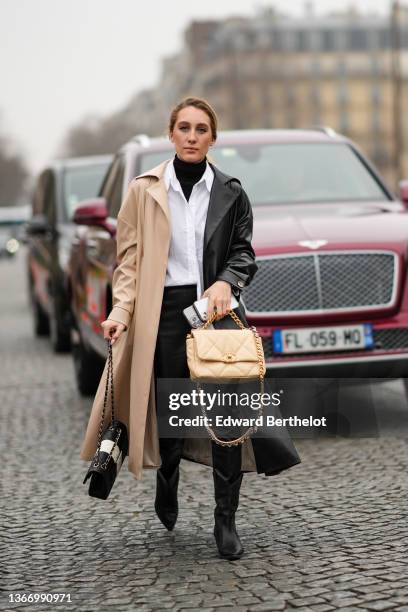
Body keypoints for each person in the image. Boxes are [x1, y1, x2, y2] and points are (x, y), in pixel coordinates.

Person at [79, 97, 300, 560]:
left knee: (227, 418)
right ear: (172, 134)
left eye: (202, 129)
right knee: (171, 413)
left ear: (212, 138)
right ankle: (168, 478)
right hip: (162, 312)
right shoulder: (144, 190)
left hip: (217, 312)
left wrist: (226, 281)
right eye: (184, 127)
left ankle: (225, 520)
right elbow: (129, 262)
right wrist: (121, 312)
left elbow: (244, 253)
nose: (193, 136)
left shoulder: (232, 191)